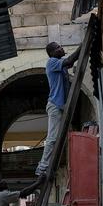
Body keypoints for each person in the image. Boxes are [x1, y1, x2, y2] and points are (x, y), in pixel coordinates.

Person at [35, 42, 81, 177]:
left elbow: (70, 62)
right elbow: (70, 60)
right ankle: (42, 167)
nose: (61, 48)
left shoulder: (60, 63)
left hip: (61, 106)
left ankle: (50, 165)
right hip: (55, 105)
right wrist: (82, 46)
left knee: (64, 137)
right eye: (58, 48)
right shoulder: (52, 62)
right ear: (52, 53)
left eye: (61, 46)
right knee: (52, 138)